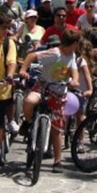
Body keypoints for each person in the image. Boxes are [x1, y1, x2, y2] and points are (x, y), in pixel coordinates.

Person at [19, 28, 80, 173]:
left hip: (59, 91)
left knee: (57, 128)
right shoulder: (54, 53)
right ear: (74, 43)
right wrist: (23, 69)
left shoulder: (72, 55)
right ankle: (27, 123)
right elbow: (31, 56)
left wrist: (75, 80)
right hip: (44, 86)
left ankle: (57, 161)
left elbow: (74, 70)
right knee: (29, 101)